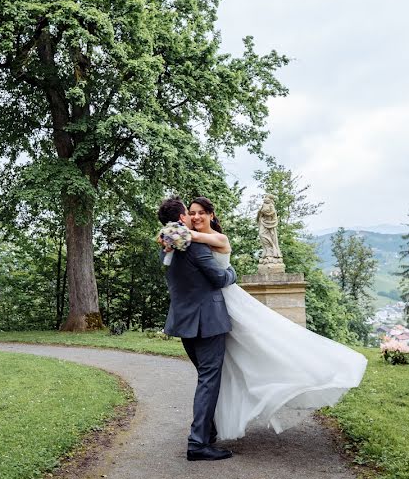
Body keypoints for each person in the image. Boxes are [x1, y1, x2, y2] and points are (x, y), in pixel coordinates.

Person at [186, 196, 368, 441]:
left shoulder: (218, 238)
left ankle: (301, 377)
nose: (195, 217)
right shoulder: (192, 240)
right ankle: (214, 423)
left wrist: (174, 233)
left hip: (227, 302)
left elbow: (196, 239)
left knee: (265, 345)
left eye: (200, 213)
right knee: (232, 364)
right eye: (192, 213)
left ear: (211, 215)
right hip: (212, 308)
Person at [157, 197, 237, 461]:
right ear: (182, 218)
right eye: (189, 214)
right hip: (208, 322)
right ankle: (198, 443)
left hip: (183, 322)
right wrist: (233, 273)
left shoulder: (166, 246)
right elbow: (218, 279)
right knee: (208, 380)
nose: (193, 217)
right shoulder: (194, 247)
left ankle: (208, 432)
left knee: (205, 379)